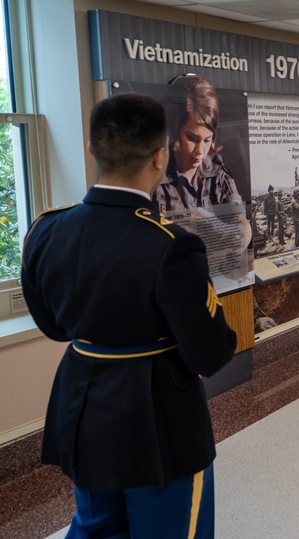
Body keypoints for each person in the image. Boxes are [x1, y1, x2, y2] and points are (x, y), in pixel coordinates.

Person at [21, 93, 236, 538]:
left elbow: (54, 326)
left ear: (91, 149)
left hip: (82, 405)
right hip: (159, 419)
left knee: (95, 528)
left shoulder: (45, 230)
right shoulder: (170, 245)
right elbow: (210, 353)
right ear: (161, 156)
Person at [154, 75, 242, 212]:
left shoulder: (218, 173)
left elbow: (241, 222)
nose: (200, 151)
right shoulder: (154, 178)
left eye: (207, 140)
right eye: (192, 138)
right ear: (174, 131)